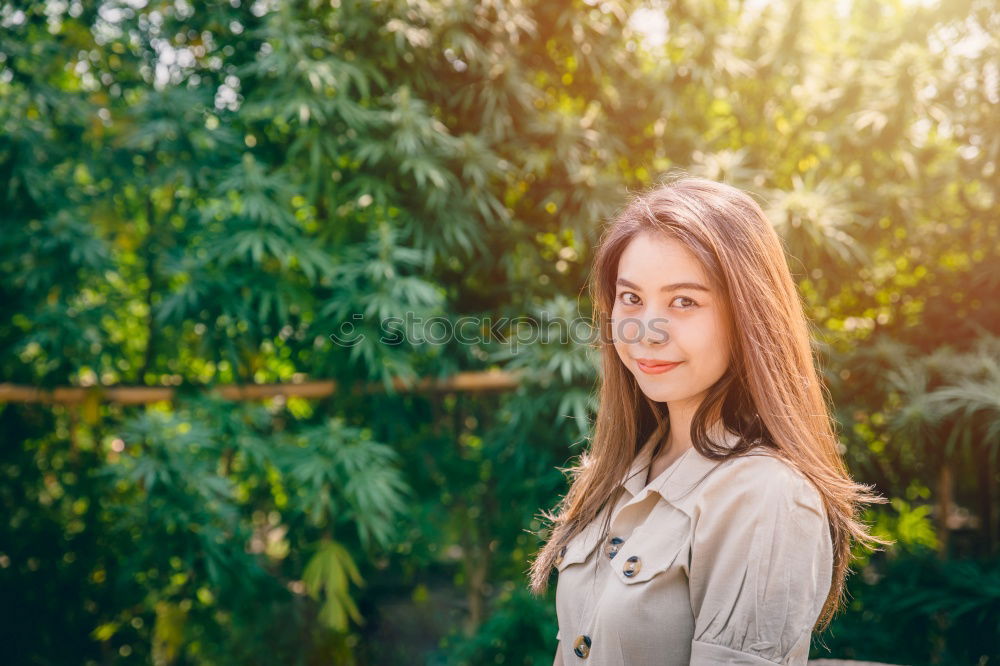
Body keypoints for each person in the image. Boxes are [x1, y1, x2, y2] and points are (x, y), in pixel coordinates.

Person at [526, 176, 893, 665]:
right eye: (631, 298)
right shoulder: (621, 473)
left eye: (684, 302)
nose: (646, 330)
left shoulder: (765, 496)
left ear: (747, 315)